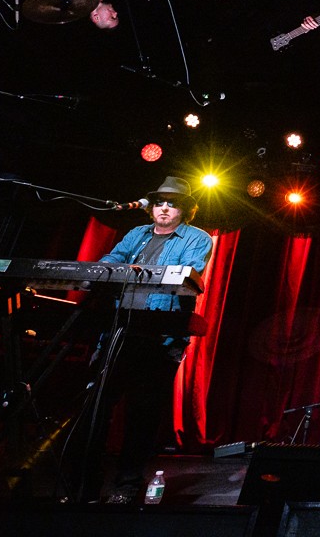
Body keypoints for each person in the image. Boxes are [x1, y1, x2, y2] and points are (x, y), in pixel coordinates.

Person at [74, 176, 213, 503]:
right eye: (160, 202)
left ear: (185, 210)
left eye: (172, 203)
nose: (164, 208)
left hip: (159, 338)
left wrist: (138, 273)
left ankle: (127, 486)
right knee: (96, 409)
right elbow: (113, 259)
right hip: (118, 332)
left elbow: (187, 275)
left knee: (142, 414)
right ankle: (83, 486)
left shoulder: (197, 237)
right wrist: (101, 271)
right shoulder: (136, 234)